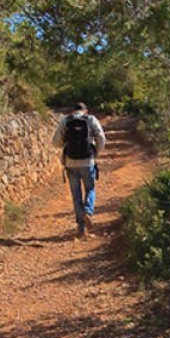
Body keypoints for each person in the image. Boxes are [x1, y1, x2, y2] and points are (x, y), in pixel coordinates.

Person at [52, 102, 106, 238]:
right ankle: (87, 211)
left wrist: (66, 144)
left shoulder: (66, 120)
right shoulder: (91, 119)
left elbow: (55, 142)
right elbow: (101, 138)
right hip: (88, 161)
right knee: (90, 189)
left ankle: (81, 229)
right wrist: (96, 152)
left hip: (70, 163)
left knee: (76, 195)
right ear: (85, 111)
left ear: (73, 111)